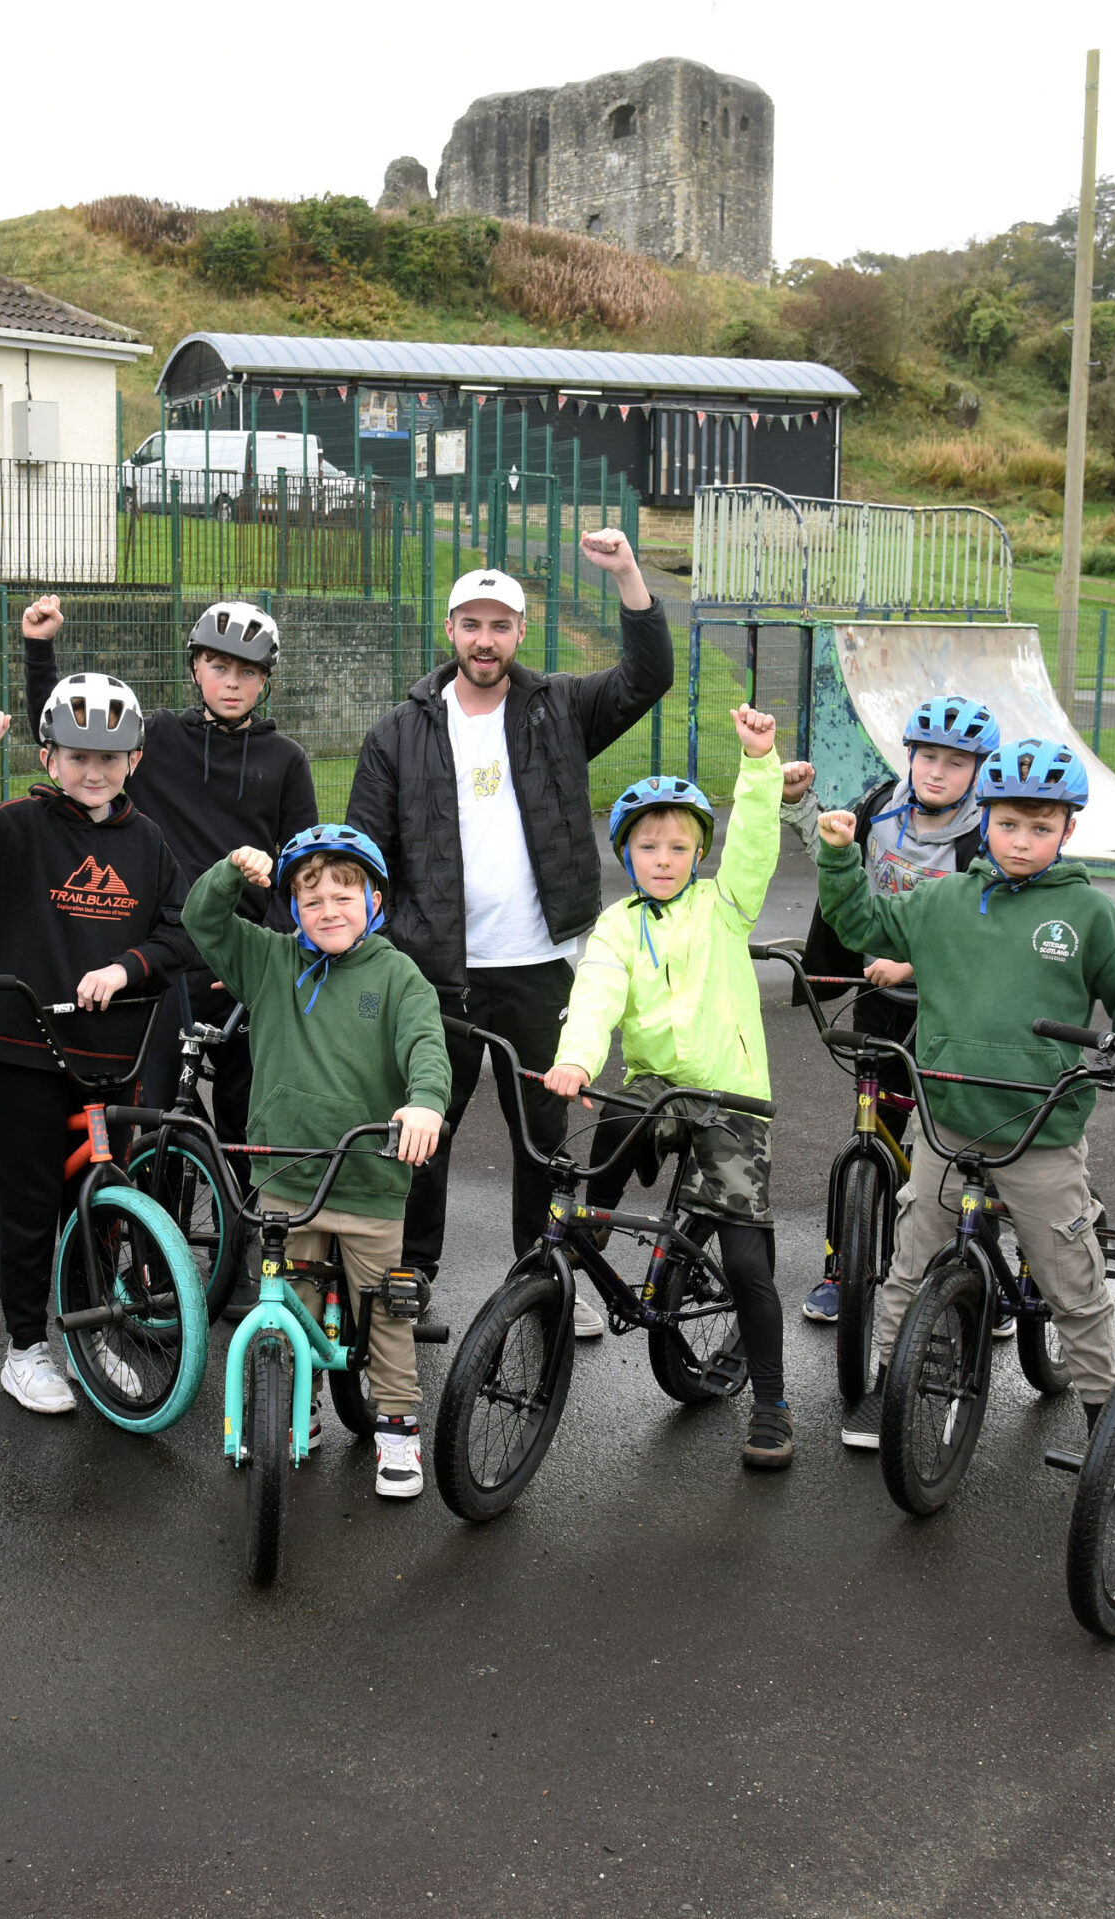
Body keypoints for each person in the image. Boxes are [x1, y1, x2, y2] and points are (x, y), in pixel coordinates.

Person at [345, 535, 674, 1335]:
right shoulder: (400, 730)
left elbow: (648, 677)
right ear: (450, 630)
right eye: (471, 624)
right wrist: (381, 946)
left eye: (499, 625)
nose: (484, 639)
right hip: (439, 971)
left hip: (539, 964)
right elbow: (365, 848)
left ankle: (543, 1273)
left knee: (544, 1133)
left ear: (520, 632)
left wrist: (629, 575)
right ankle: (412, 1271)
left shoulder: (557, 707)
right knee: (426, 1122)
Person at [815, 737, 1115, 1448]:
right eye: (1008, 823)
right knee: (909, 1262)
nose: (1022, 840)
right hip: (947, 1121)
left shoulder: (1087, 915)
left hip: (1039, 1132)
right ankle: (893, 1382)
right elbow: (860, 923)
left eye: (1041, 827)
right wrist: (837, 855)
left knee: (1070, 1282)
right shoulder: (943, 900)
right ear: (984, 820)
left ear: (1068, 831)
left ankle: (1107, 1416)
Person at [0, 675, 199, 1413]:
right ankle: (24, 1348)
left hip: (112, 1054)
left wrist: (125, 967)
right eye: (76, 756)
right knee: (30, 1203)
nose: (93, 771)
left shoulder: (148, 842)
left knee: (104, 1201)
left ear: (135, 760)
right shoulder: (19, 827)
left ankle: (93, 1329)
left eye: (110, 757)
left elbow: (178, 932)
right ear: (48, 758)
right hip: (27, 1051)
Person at [24, 593, 317, 1305]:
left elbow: (297, 873)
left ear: (266, 679)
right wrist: (41, 652)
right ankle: (154, 1258)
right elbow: (71, 732)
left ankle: (253, 1250)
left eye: (247, 670)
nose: (231, 681)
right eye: (217, 665)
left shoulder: (285, 760)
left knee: (254, 1119)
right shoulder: (156, 740)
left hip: (245, 967)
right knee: (158, 1119)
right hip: (166, 960)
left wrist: (264, 958)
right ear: (194, 669)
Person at [543, 705, 815, 1467]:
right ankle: (597, 1215)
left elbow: (756, 842)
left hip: (731, 1098)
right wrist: (576, 1059)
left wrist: (759, 764)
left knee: (750, 1261)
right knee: (622, 1103)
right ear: (626, 853)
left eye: (680, 845)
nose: (664, 858)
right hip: (659, 1088)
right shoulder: (617, 925)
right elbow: (594, 997)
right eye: (648, 845)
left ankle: (770, 1400)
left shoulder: (724, 908)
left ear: (699, 852)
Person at [189, 825, 449, 1496]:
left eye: (344, 894)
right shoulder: (270, 960)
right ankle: (294, 1406)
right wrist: (229, 872)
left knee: (387, 1311)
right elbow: (200, 919)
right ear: (291, 909)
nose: (329, 910)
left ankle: (396, 1429)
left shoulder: (397, 975)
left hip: (368, 1180)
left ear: (375, 901)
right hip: (284, 1174)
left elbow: (426, 1044)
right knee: (287, 1305)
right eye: (311, 900)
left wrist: (424, 1102)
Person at [791, 695, 997, 1326]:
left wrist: (916, 964)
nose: (936, 772)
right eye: (926, 756)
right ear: (908, 755)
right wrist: (801, 804)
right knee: (870, 1133)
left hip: (952, 1004)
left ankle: (980, 1276)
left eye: (955, 763)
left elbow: (988, 928)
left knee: (964, 1147)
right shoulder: (881, 806)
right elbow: (835, 855)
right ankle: (841, 1270)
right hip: (880, 999)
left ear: (978, 770)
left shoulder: (987, 832)